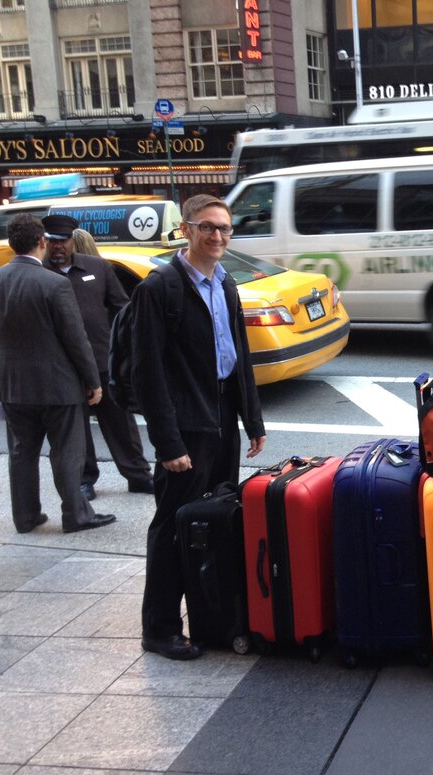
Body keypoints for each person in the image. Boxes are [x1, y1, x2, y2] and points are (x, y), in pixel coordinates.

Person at [133, 194, 266, 660]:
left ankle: (211, 618)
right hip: (186, 427)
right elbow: (147, 374)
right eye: (207, 227)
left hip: (222, 420)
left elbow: (239, 357)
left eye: (225, 229)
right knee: (172, 526)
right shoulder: (160, 289)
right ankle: (160, 628)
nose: (217, 236)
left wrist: (252, 419)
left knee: (212, 522)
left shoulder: (225, 283)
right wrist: (168, 443)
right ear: (186, 230)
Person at [0, 214, 116, 534]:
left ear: (11, 244)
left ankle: (26, 517)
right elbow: (76, 338)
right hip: (58, 385)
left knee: (21, 453)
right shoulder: (55, 284)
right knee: (67, 451)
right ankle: (75, 514)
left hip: (11, 386)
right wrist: (93, 381)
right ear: (41, 242)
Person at [42, 215, 154, 499]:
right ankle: (85, 479)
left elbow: (121, 308)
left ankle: (138, 475)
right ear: (44, 242)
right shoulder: (40, 274)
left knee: (121, 424)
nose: (57, 247)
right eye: (52, 241)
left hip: (103, 360)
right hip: (63, 366)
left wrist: (126, 348)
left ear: (72, 241)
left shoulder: (96, 267)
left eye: (62, 241)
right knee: (75, 429)